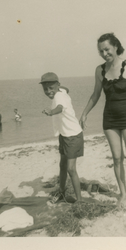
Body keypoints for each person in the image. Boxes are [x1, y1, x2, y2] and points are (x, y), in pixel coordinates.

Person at [80, 33, 126, 212]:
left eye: (107, 49)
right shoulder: (99, 71)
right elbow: (96, 95)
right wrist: (84, 114)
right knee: (117, 158)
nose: (104, 53)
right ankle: (123, 194)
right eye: (101, 51)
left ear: (115, 47)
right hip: (110, 119)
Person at [40, 72, 83, 203]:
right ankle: (62, 192)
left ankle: (80, 200)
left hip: (73, 135)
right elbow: (65, 89)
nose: (48, 91)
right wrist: (58, 88)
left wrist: (51, 112)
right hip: (64, 135)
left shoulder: (59, 97)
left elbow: (60, 107)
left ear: (57, 85)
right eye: (45, 89)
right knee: (62, 165)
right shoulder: (62, 92)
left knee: (70, 168)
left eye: (51, 88)